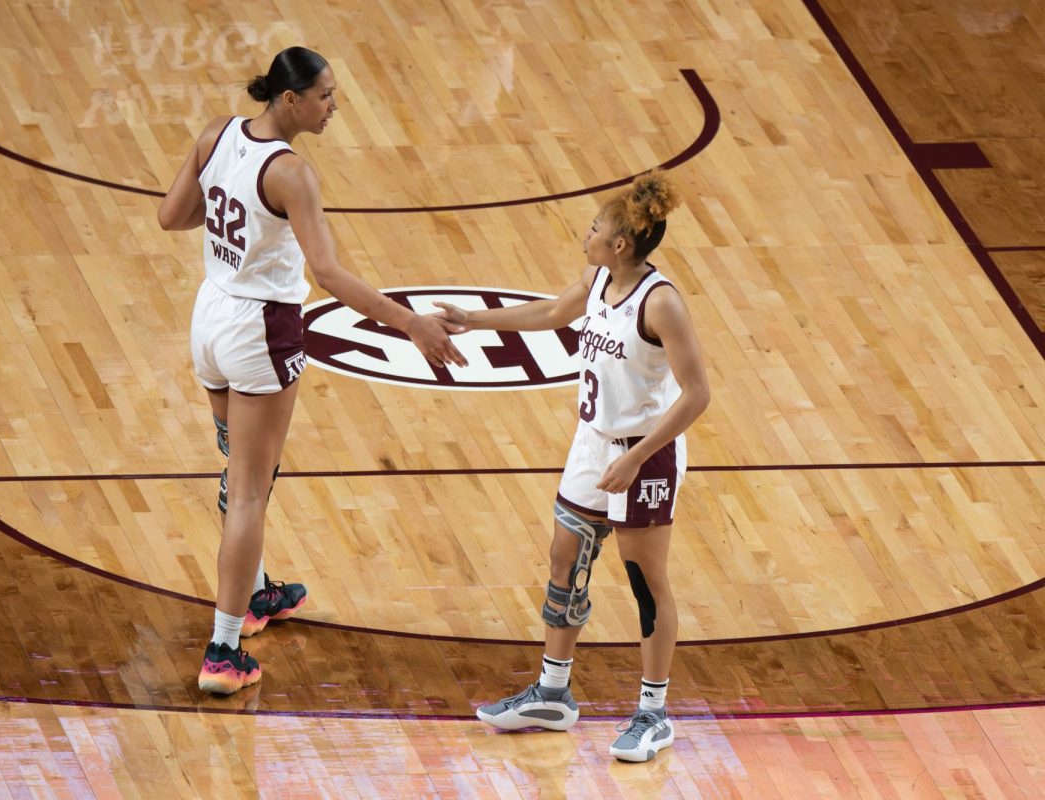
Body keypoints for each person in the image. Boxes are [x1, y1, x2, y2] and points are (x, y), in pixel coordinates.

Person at [158, 46, 467, 695]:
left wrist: (228, 214)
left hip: (209, 315)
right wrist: (409, 322)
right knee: (249, 488)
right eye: (325, 95)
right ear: (290, 99)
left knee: (237, 464)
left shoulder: (216, 131)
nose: (334, 106)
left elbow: (172, 216)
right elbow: (325, 274)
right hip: (260, 327)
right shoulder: (292, 172)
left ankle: (259, 589)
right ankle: (223, 647)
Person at [436, 170, 709, 762]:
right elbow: (557, 311)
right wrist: (473, 319)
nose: (583, 234)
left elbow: (696, 396)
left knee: (644, 581)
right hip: (592, 442)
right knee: (566, 556)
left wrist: (636, 459)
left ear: (621, 244)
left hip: (647, 452)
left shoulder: (661, 303)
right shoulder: (598, 278)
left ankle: (653, 713)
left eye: (594, 229)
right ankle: (553, 694)